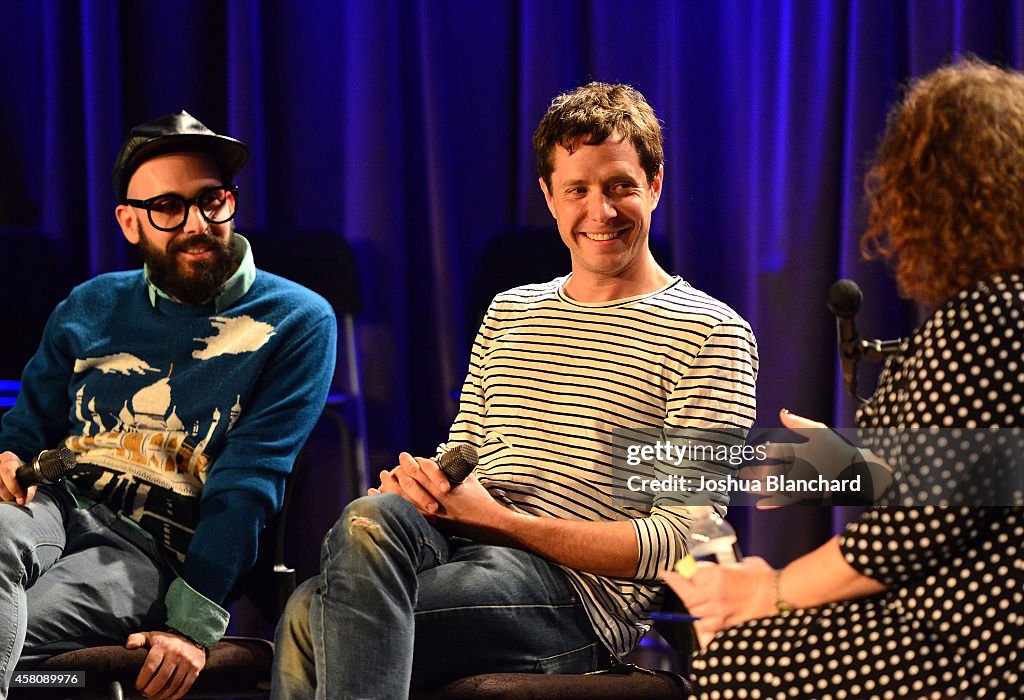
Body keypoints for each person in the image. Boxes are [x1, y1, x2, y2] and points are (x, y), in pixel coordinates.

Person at [271, 82, 759, 698]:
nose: (600, 212)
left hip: (577, 600)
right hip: (462, 550)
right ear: (550, 198)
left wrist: (501, 523)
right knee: (371, 516)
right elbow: (467, 453)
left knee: (309, 613)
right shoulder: (511, 311)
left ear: (655, 186)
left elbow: (678, 539)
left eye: (620, 187)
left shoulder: (709, 332)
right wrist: (428, 487)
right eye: (577, 190)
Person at [665, 59, 1024, 699]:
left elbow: (921, 523)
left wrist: (768, 592)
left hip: (978, 635)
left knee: (739, 663)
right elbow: (983, 471)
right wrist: (846, 465)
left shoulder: (989, 315)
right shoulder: (1001, 311)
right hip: (959, 609)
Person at [0, 111, 337, 700]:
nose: (197, 224)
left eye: (212, 200)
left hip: (155, 548)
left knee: (26, 649)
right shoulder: (89, 304)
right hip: (56, 502)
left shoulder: (297, 320)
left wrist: (190, 626)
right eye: (167, 208)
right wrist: (9, 455)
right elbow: (26, 428)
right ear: (130, 222)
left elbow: (249, 483)